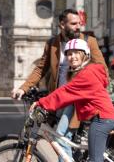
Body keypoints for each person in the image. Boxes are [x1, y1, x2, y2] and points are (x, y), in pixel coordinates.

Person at [11, 8, 106, 157]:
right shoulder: (53, 44)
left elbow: (102, 70)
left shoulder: (89, 41)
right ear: (62, 24)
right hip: (59, 100)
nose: (78, 27)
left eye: (79, 23)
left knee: (62, 139)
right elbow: (40, 69)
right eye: (74, 23)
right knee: (64, 141)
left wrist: (89, 89)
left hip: (77, 101)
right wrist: (24, 88)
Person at [33, 39, 114, 162]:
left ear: (85, 55)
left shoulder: (86, 74)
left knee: (95, 160)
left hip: (102, 120)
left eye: (76, 53)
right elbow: (68, 95)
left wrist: (41, 103)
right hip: (102, 118)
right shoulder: (86, 72)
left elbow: (65, 93)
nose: (72, 57)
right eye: (69, 54)